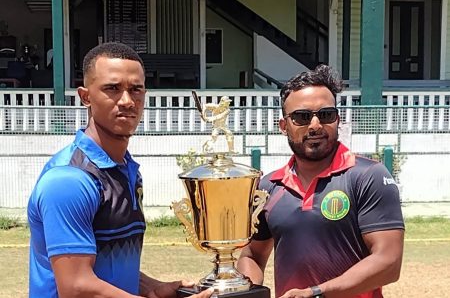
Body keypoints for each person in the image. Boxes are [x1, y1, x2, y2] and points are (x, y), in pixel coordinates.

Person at [27, 42, 213, 298]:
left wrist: (152, 288)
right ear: (85, 96)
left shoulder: (127, 170)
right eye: (112, 89)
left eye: (136, 89)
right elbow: (76, 287)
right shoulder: (69, 180)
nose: (127, 101)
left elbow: (104, 263)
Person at [237, 65, 405, 298]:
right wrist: (246, 290)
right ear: (284, 126)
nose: (315, 125)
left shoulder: (368, 176)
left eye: (325, 114)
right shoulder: (268, 186)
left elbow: (388, 261)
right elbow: (252, 255)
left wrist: (317, 293)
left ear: (337, 119)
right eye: (302, 117)